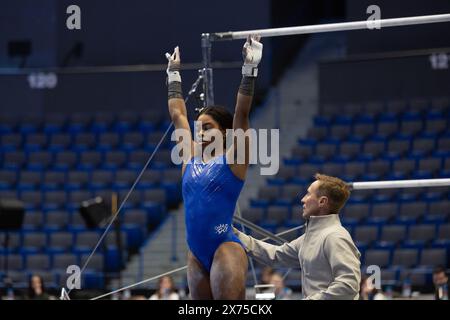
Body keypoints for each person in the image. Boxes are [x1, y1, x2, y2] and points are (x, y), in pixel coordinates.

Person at [165, 35, 263, 299]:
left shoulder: (234, 159)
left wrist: (249, 70)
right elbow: (178, 115)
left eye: (207, 127)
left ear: (225, 132)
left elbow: (241, 114)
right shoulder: (189, 157)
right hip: (196, 253)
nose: (200, 133)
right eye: (199, 129)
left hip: (224, 248)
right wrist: (174, 75)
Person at [234, 173, 361, 300]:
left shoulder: (335, 236)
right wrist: (234, 234)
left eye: (308, 194)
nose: (303, 199)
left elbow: (348, 284)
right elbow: (275, 255)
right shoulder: (311, 237)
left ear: (322, 201)